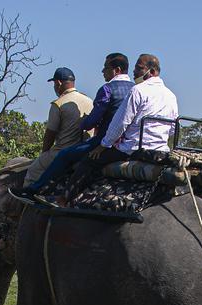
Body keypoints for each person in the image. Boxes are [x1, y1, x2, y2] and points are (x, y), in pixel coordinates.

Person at [65, 53, 178, 201]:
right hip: (161, 150)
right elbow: (172, 129)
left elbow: (121, 123)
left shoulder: (138, 90)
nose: (134, 72)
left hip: (133, 149)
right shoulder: (171, 95)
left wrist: (103, 146)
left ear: (152, 72)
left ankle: (65, 199)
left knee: (88, 162)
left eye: (139, 68)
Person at [20, 53, 133, 194]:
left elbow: (90, 122)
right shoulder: (135, 89)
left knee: (60, 157)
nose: (102, 71)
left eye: (105, 68)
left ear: (116, 70)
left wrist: (84, 123)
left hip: (104, 141)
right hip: (129, 142)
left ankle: (32, 191)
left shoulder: (107, 89)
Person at [21, 68, 93, 187]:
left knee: (33, 171)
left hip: (63, 151)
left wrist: (44, 154)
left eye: (54, 84)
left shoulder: (58, 104)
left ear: (58, 83)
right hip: (85, 151)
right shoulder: (89, 101)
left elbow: (50, 134)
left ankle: (27, 197)